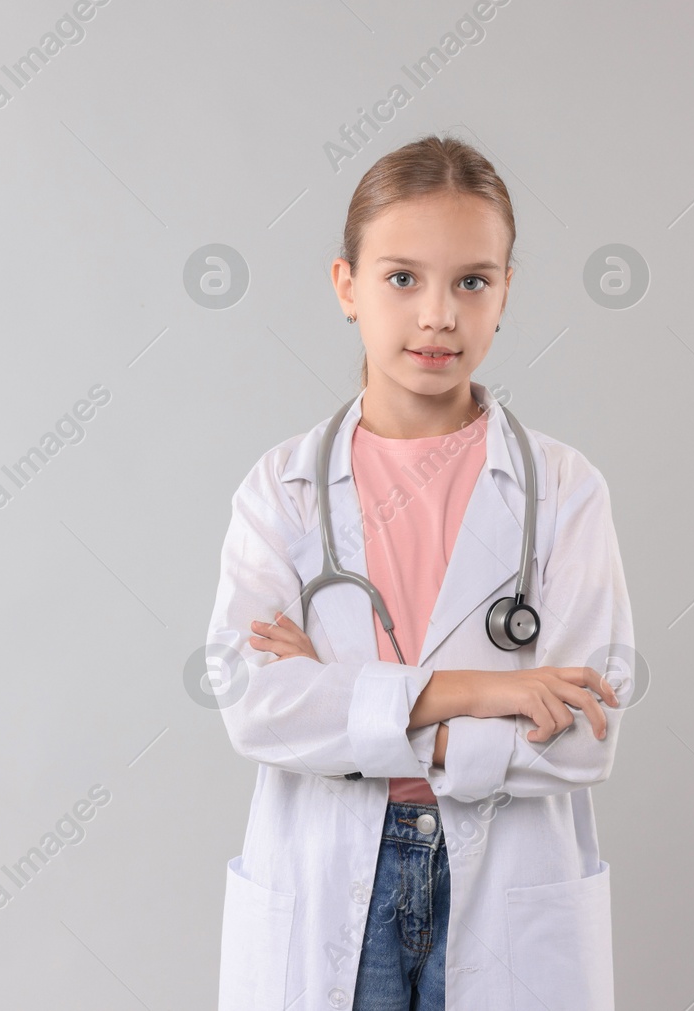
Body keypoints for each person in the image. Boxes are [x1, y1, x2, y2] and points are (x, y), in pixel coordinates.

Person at [208, 135, 633, 1010]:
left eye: (472, 280)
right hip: (332, 880)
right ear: (346, 287)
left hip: (507, 882)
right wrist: (482, 690)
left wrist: (354, 702)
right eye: (403, 277)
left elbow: (586, 733)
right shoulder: (281, 490)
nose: (438, 313)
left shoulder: (564, 489)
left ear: (505, 292)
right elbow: (256, 703)